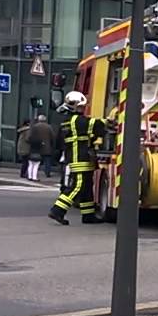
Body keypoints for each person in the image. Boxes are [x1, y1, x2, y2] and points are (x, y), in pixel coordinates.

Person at [49, 91, 109, 225]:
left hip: (78, 157)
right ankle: (57, 210)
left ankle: (88, 215)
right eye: (81, 106)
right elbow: (96, 124)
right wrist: (111, 121)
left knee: (87, 187)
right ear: (74, 106)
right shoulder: (76, 120)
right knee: (78, 186)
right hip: (79, 158)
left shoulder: (66, 121)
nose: (83, 109)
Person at [27, 114, 53, 181]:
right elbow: (52, 137)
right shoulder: (49, 127)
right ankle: (47, 173)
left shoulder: (35, 127)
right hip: (46, 147)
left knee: (32, 163)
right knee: (47, 160)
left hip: (36, 149)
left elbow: (29, 138)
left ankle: (30, 175)